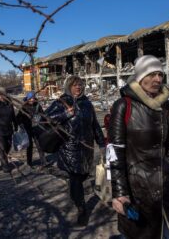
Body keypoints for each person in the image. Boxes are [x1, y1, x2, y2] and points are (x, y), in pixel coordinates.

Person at [108, 55, 169, 239]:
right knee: (143, 233)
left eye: (160, 74)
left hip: (165, 184)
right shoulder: (124, 105)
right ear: (140, 77)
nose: (158, 79)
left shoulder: (165, 105)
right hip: (138, 188)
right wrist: (120, 193)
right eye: (152, 74)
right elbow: (115, 151)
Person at [45, 75, 105, 226]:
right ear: (68, 86)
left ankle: (74, 193)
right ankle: (82, 209)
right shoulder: (61, 102)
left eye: (80, 85)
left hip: (86, 148)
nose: (78, 87)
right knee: (76, 177)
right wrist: (65, 115)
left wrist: (102, 143)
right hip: (69, 148)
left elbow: (95, 125)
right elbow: (44, 119)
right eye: (74, 85)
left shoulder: (87, 103)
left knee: (83, 175)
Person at [16, 91, 47, 167]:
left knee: (39, 145)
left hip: (36, 128)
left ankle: (43, 161)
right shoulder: (24, 107)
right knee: (29, 146)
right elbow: (18, 118)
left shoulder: (37, 106)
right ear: (28, 98)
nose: (32, 100)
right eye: (30, 98)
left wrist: (43, 120)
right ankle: (29, 162)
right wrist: (21, 125)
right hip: (27, 128)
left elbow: (43, 114)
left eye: (33, 98)